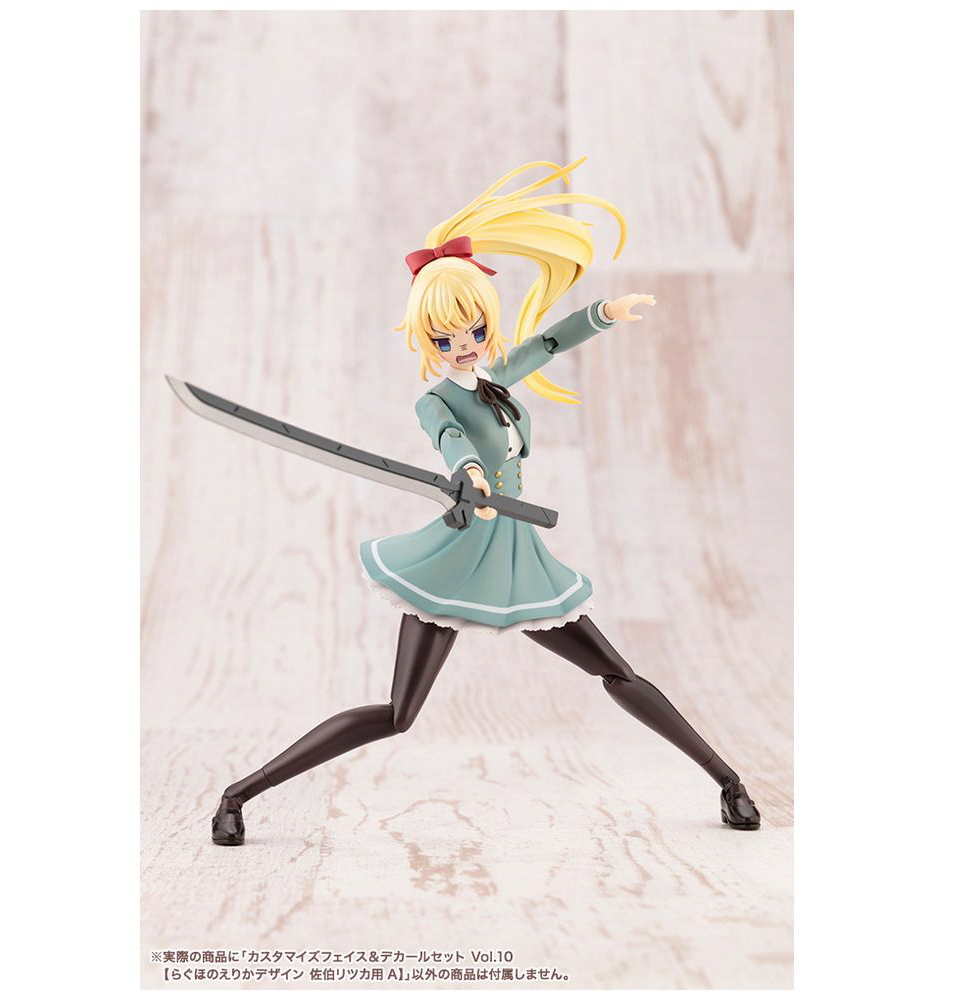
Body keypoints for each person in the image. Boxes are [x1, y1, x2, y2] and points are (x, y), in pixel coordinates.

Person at [212, 159, 760, 845]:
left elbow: (548, 342)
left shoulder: (497, 378)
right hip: (458, 557)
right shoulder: (435, 399)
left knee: (616, 672)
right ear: (426, 339)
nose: (463, 346)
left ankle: (728, 782)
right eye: (445, 338)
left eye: (472, 330)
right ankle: (238, 794)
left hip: (518, 558)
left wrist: (605, 314)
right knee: (399, 714)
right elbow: (448, 439)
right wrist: (468, 470)